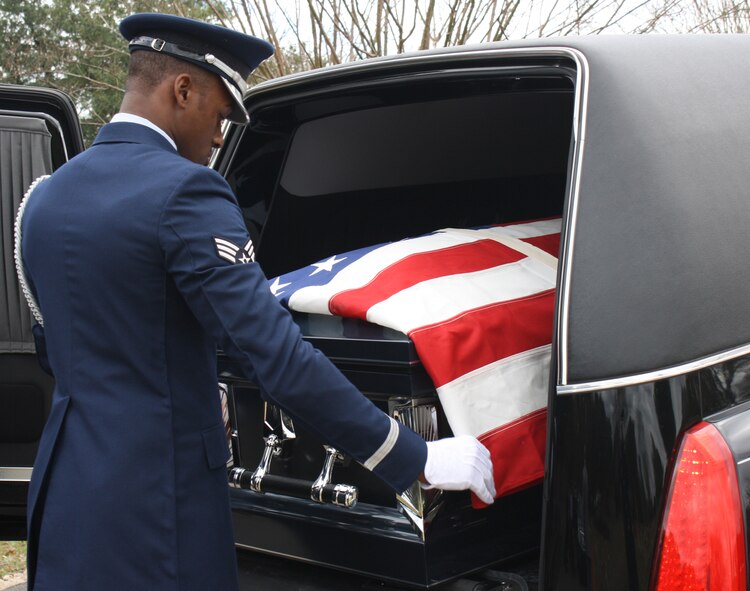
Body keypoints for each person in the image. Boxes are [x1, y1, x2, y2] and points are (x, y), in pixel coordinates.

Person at [18, 13, 495, 591]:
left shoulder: (44, 199)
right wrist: (413, 456)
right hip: (159, 509)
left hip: (65, 496)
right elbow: (276, 359)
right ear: (182, 89)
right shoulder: (185, 192)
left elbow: (60, 350)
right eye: (220, 115)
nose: (221, 137)